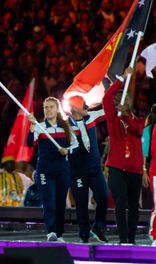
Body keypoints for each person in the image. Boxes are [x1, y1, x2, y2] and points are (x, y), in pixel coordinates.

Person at [103, 67, 146, 244]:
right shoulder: (113, 119)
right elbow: (106, 98)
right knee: (120, 204)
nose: (123, 100)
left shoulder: (138, 120)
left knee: (134, 207)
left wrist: (127, 117)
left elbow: (138, 131)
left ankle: (132, 238)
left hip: (135, 170)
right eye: (119, 98)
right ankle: (123, 239)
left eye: (126, 97)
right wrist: (122, 79)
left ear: (130, 101)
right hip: (117, 168)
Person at [28, 97, 78, 242]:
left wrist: (67, 151)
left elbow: (76, 145)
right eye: (45, 107)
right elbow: (30, 143)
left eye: (51, 107)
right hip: (45, 170)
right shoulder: (39, 126)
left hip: (62, 170)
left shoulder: (66, 127)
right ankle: (51, 231)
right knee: (49, 201)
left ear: (57, 109)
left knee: (61, 202)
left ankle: (60, 234)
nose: (48, 110)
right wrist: (32, 126)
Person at [67, 98, 108, 243]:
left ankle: (98, 226)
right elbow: (68, 150)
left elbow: (109, 110)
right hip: (78, 171)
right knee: (81, 202)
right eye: (83, 105)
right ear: (75, 108)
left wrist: (118, 83)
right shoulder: (66, 126)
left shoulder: (91, 117)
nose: (87, 106)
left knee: (103, 197)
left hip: (95, 169)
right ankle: (84, 232)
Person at [142, 103, 156, 245]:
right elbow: (143, 153)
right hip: (155, 171)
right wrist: (144, 171)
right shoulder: (150, 130)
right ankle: (154, 235)